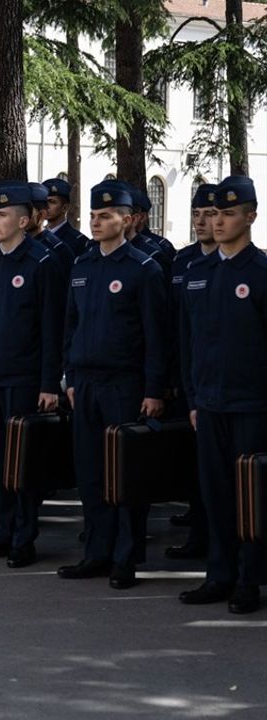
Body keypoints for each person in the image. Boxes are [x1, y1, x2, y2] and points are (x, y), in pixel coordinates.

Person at [59, 182, 168, 590]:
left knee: (124, 474)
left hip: (124, 385)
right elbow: (72, 326)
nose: (96, 221)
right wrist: (69, 375)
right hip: (85, 384)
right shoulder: (83, 267)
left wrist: (154, 390)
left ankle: (126, 556)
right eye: (93, 215)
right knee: (90, 473)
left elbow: (157, 337)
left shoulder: (143, 269)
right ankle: (97, 552)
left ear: (128, 219)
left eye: (106, 215)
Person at [177, 175, 264, 614]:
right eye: (215, 213)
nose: (220, 221)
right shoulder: (198, 274)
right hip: (208, 406)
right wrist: (193, 400)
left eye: (230, 213)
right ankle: (219, 574)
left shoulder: (261, 273)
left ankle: (250, 579)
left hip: (251, 407)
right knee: (214, 494)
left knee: (250, 496)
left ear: (250, 216)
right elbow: (188, 343)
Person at [0, 183, 63, 568]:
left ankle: (24, 535)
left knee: (21, 462)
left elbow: (51, 328)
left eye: (3, 215)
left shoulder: (42, 262)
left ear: (24, 220)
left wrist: (49, 383)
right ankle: (1, 529)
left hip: (24, 379)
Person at [164, 184, 220, 561]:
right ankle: (198, 534)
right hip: (187, 380)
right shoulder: (183, 262)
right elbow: (173, 325)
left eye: (209, 215)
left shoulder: (233, 264)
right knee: (194, 467)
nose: (201, 221)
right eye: (196, 214)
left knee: (221, 476)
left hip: (221, 385)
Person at [42, 178, 90, 256]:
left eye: (52, 202)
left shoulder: (79, 241)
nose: (46, 206)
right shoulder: (36, 236)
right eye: (44, 202)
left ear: (65, 208)